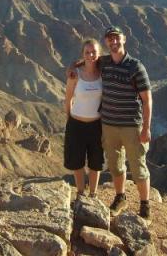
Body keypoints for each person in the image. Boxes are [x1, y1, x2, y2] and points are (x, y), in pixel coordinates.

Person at [68, 26, 153, 219]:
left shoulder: (136, 67)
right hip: (108, 125)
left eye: (117, 38)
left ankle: (145, 205)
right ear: (106, 42)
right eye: (110, 39)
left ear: (124, 39)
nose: (113, 42)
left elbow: (147, 100)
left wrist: (146, 127)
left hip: (132, 125)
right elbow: (89, 60)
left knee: (138, 166)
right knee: (116, 165)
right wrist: (73, 67)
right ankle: (120, 197)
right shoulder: (104, 62)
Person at [64, 38, 104, 198]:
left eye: (94, 51)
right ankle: (80, 193)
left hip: (97, 125)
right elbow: (68, 98)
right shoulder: (75, 74)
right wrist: (69, 120)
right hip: (76, 124)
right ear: (83, 54)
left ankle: (93, 194)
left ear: (99, 53)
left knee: (96, 162)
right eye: (87, 52)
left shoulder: (103, 74)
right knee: (77, 162)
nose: (91, 55)